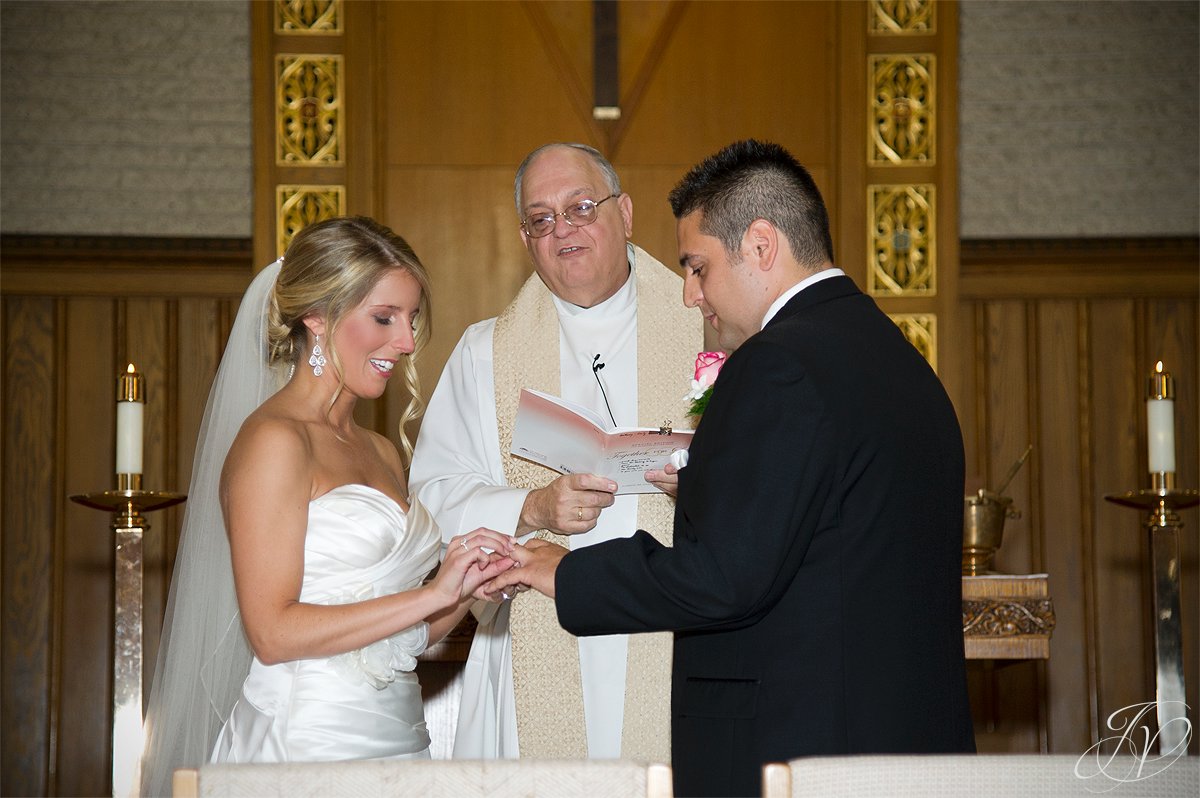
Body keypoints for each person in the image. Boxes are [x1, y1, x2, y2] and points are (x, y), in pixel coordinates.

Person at [488, 139, 976, 797]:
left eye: (699, 266)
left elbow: (723, 577)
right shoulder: (897, 360)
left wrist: (566, 572)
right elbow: (829, 540)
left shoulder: (778, 364)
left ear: (762, 246)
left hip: (804, 751)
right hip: (900, 742)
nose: (690, 295)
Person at [140, 216, 515, 795]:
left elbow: (402, 636)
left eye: (411, 319)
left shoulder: (383, 452)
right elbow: (273, 632)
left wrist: (465, 591)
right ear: (318, 318)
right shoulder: (274, 442)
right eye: (384, 318)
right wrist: (433, 592)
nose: (408, 342)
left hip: (400, 741)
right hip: (305, 748)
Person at [408, 142, 704, 762]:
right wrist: (533, 507)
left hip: (678, 633)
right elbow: (431, 500)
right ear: (525, 239)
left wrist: (701, 483)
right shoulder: (485, 353)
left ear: (624, 214)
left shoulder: (710, 332)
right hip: (535, 633)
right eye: (541, 219)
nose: (561, 229)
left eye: (580, 208)